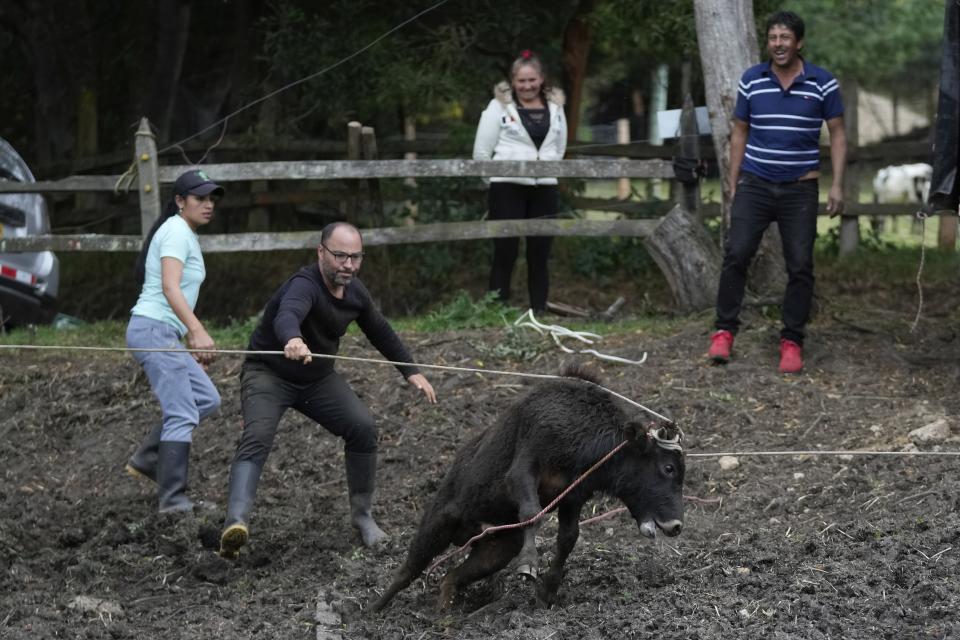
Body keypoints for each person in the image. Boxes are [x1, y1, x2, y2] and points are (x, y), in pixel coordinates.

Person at [218, 222, 437, 558]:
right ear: (321, 252)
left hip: (316, 379)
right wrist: (292, 338)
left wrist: (411, 371)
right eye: (340, 256)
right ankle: (236, 522)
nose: (348, 265)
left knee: (362, 427)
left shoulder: (355, 292)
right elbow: (288, 313)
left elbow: (379, 330)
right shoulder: (303, 285)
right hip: (269, 375)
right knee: (258, 435)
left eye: (355, 257)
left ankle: (363, 517)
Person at [708, 11, 846, 374]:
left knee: (800, 265)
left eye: (785, 38)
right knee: (736, 254)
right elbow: (739, 131)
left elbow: (838, 134)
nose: (779, 44)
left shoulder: (822, 83)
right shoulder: (753, 80)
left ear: (799, 42)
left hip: (800, 188)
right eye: (773, 38)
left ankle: (792, 340)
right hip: (754, 183)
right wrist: (733, 182)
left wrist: (837, 184)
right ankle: (723, 331)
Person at [125, 169, 224, 512]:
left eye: (211, 198)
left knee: (205, 398)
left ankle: (149, 459)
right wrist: (196, 331)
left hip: (163, 332)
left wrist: (185, 336)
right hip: (153, 330)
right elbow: (169, 287)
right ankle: (173, 499)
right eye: (200, 198)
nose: (208, 204)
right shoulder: (176, 232)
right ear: (180, 202)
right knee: (182, 411)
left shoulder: (184, 232)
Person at [472, 50, 567, 313]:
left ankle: (538, 311)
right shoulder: (498, 107)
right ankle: (497, 310)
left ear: (542, 79)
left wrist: (545, 169)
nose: (527, 86)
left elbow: (559, 148)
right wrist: (494, 181)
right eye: (521, 81)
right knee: (505, 251)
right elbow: (481, 153)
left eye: (532, 80)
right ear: (513, 81)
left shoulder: (556, 108)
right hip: (507, 187)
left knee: (539, 253)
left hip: (545, 187)